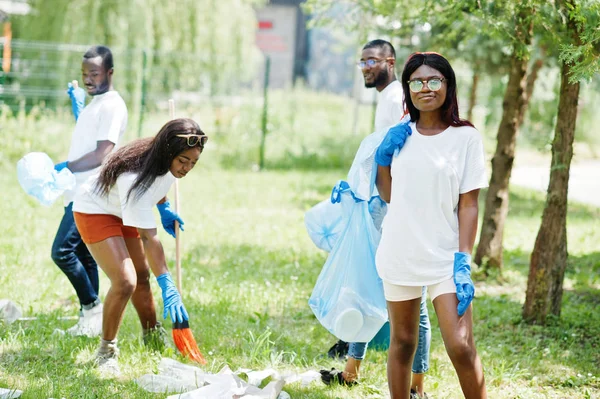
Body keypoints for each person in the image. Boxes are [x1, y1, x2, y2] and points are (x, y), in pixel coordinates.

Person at [321, 40, 432, 399]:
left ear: (390, 62)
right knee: (367, 282)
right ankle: (351, 370)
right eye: (362, 61)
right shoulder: (386, 98)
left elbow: (399, 152)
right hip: (377, 203)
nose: (366, 67)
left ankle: (417, 386)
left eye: (373, 60)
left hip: (395, 206)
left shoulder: (397, 96)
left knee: (413, 291)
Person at [375, 52, 488, 399]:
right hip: (400, 249)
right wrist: (383, 159)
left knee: (461, 346)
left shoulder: (466, 137)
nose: (426, 88)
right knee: (403, 342)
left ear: (447, 86)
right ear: (408, 88)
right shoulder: (400, 135)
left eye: (434, 80)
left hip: (445, 255)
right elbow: (389, 193)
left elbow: (469, 204)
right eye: (417, 82)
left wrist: (463, 260)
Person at [72, 118, 207, 373]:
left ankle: (152, 334)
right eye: (183, 161)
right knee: (126, 281)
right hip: (95, 210)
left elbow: (158, 183)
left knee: (143, 276)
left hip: (124, 208)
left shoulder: (166, 162)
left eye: (193, 162)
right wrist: (168, 284)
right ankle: (106, 351)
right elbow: (149, 237)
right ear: (168, 152)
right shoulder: (134, 177)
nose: (187, 168)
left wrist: (164, 206)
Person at [51, 45, 127, 337]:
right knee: (82, 253)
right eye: (84, 74)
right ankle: (90, 320)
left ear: (110, 73)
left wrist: (66, 166)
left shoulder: (112, 105)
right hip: (78, 189)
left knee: (62, 251)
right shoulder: (98, 103)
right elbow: (88, 139)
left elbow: (102, 154)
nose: (87, 79)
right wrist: (80, 110)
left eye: (94, 74)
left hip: (91, 190)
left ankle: (92, 306)